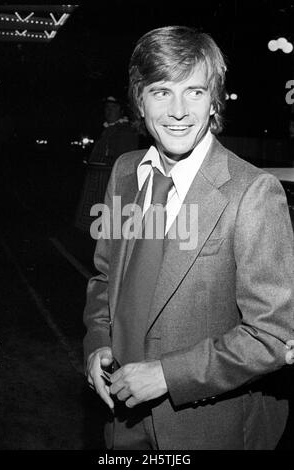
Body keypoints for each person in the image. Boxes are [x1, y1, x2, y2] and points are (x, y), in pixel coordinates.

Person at [83, 26, 294, 450]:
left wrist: (166, 374)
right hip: (121, 419)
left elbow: (272, 334)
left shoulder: (252, 193)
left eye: (194, 92)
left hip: (208, 429)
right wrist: (97, 344)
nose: (178, 110)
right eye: (161, 92)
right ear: (139, 101)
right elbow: (104, 280)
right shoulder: (125, 173)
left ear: (214, 101)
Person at [88, 95, 139, 166]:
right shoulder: (103, 130)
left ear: (121, 111)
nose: (109, 110)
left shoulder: (126, 131)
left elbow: (124, 161)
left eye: (114, 107)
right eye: (107, 107)